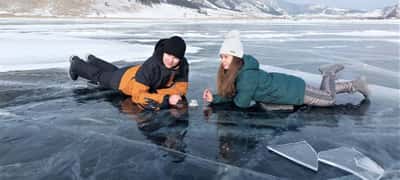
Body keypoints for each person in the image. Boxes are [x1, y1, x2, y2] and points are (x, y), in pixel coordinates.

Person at [203, 30, 369, 108]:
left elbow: (241, 102)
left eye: (226, 56)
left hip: (294, 92)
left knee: (328, 98)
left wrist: (220, 99)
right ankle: (354, 85)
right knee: (321, 93)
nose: (222, 61)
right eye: (221, 57)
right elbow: (236, 96)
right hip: (289, 87)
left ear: (236, 57)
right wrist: (215, 98)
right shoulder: (241, 71)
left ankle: (329, 73)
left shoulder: (246, 77)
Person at [69, 36, 189, 110]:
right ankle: (76, 64)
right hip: (125, 82)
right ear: (163, 52)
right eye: (168, 55)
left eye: (175, 57)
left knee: (114, 71)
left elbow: (181, 88)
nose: (170, 60)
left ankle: (93, 60)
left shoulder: (183, 65)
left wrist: (168, 94)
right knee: (100, 76)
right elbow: (138, 96)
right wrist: (166, 99)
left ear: (181, 58)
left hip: (135, 72)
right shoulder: (152, 65)